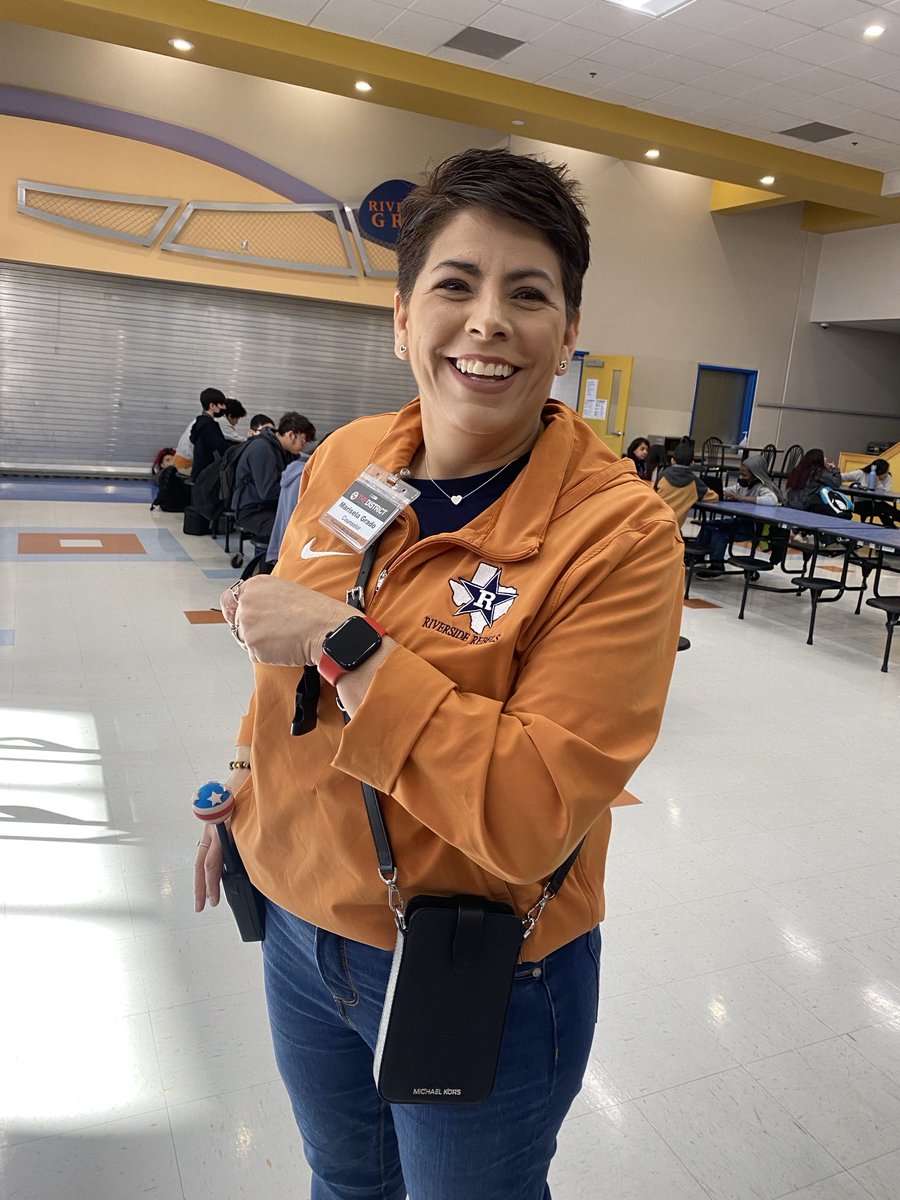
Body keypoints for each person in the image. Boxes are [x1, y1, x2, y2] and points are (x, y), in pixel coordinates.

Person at [195, 147, 683, 1200]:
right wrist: (244, 773)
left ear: (568, 330)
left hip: (475, 964)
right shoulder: (350, 457)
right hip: (295, 916)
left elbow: (530, 809)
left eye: (528, 293)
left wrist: (350, 643)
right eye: (455, 284)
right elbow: (281, 650)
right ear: (404, 319)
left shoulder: (619, 535)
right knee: (343, 1182)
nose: (488, 319)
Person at [231, 411, 316, 541]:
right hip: (252, 512)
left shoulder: (284, 451)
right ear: (291, 435)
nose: (304, 446)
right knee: (294, 532)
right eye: (304, 441)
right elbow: (267, 492)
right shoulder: (262, 449)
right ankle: (269, 561)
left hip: (268, 508)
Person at [696, 453, 782, 577]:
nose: (741, 477)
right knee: (708, 525)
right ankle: (698, 557)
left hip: (752, 528)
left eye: (745, 475)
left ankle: (717, 566)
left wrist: (742, 498)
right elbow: (727, 490)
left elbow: (772, 500)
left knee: (719, 534)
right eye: (740, 474)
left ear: (756, 476)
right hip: (738, 522)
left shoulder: (763, 488)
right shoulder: (741, 486)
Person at [656, 442, 717, 527]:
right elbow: (714, 497)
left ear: (672, 460)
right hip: (673, 529)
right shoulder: (694, 482)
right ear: (692, 463)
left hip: (653, 523)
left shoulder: (662, 475)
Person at [174, 387, 226, 472]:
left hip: (182, 463)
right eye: (221, 404)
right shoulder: (209, 425)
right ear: (212, 406)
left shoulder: (200, 422)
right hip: (189, 466)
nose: (224, 407)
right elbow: (222, 447)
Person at [786, 448, 844, 515]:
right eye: (824, 457)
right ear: (819, 460)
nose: (825, 458)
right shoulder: (820, 472)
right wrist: (835, 469)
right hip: (807, 508)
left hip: (792, 504)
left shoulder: (798, 470)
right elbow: (836, 483)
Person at [841, 459, 897, 528]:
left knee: (885, 511)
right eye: (885, 472)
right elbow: (843, 477)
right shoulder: (861, 474)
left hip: (879, 504)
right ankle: (893, 528)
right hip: (861, 504)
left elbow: (886, 495)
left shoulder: (887, 477)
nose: (887, 473)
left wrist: (877, 483)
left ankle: (893, 528)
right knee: (886, 511)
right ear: (879, 471)